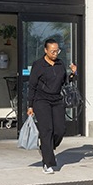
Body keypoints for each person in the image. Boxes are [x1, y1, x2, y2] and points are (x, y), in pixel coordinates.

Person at [26, 36, 70, 174]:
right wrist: (30, 105)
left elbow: (65, 82)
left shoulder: (60, 64)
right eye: (52, 51)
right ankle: (48, 163)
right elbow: (32, 86)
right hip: (41, 100)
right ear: (45, 50)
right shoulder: (38, 65)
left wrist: (73, 73)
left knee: (60, 130)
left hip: (57, 100)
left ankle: (46, 148)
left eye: (57, 51)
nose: (55, 54)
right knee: (47, 130)